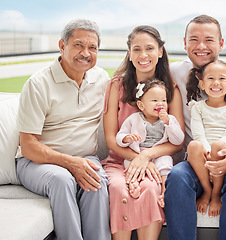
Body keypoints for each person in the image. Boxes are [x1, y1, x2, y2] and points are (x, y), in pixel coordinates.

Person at [164, 14, 226, 240]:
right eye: (194, 39)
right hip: (197, 159)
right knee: (178, 175)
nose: (201, 46)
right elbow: (140, 74)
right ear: (184, 43)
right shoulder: (173, 74)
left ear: (221, 44)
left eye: (209, 40)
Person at [15, 19, 111, 240]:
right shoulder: (38, 84)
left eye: (92, 47)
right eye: (78, 45)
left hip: (86, 157)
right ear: (62, 45)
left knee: (96, 180)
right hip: (37, 163)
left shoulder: (101, 78)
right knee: (62, 179)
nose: (85, 53)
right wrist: (69, 163)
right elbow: (28, 146)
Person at [101, 25, 184, 240]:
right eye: (136, 49)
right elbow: (111, 138)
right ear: (129, 53)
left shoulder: (170, 90)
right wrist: (137, 158)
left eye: (149, 48)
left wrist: (146, 156)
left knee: (148, 188)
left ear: (160, 51)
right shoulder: (116, 86)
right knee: (119, 189)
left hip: (155, 163)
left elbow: (177, 142)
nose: (143, 55)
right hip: (120, 162)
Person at [186, 60, 226, 218]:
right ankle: (207, 190)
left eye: (222, 79)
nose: (216, 83)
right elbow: (198, 134)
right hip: (203, 154)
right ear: (202, 84)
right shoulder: (197, 108)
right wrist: (207, 152)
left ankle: (216, 194)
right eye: (211, 78)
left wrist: (214, 154)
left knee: (219, 144)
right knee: (193, 145)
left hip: (224, 152)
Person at [116, 79, 184, 206]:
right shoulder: (133, 119)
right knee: (130, 163)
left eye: (163, 100)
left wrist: (168, 123)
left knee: (166, 163)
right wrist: (127, 138)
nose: (160, 104)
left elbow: (178, 140)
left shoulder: (170, 120)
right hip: (138, 153)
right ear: (141, 105)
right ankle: (133, 184)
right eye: (154, 101)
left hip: (158, 154)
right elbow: (119, 137)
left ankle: (164, 191)